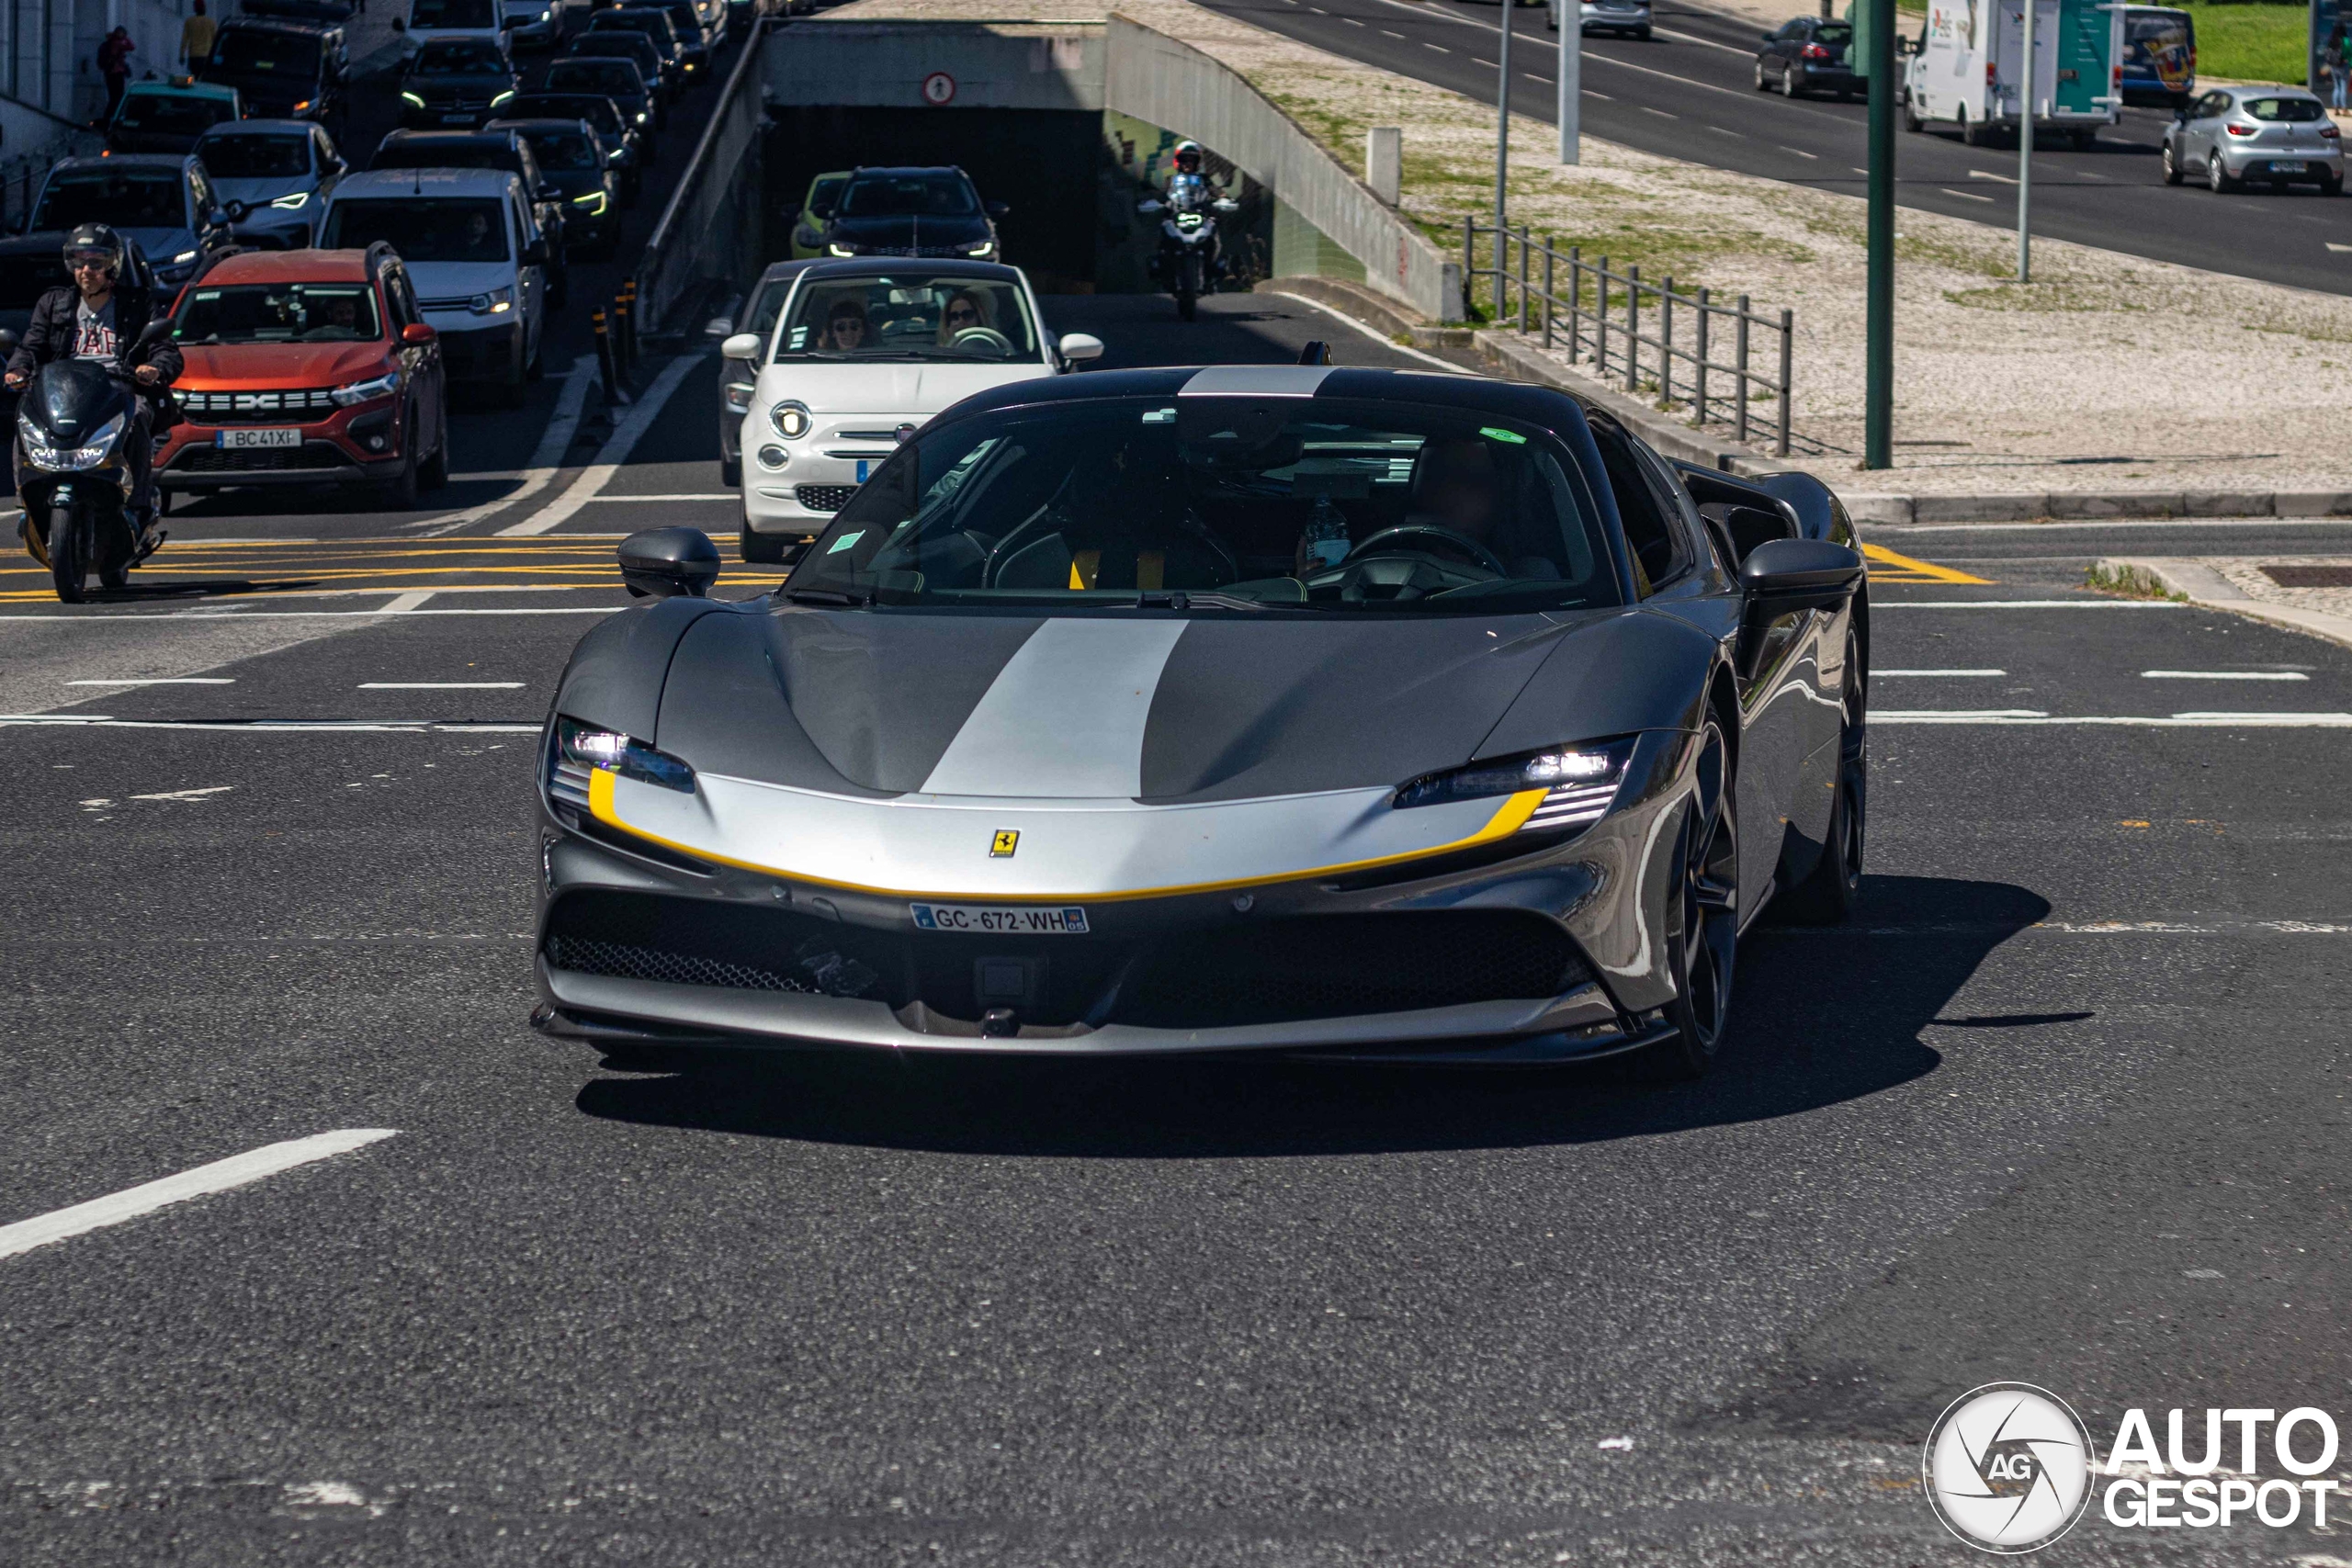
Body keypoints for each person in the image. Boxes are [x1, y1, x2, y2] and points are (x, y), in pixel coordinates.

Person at [5, 224, 181, 535]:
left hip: (117, 388)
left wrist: (153, 368)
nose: (87, 271)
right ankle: (29, 498)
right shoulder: (53, 303)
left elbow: (166, 350)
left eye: (96, 263)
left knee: (138, 414)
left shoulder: (137, 303)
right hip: (64, 391)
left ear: (112, 265)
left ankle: (137, 505)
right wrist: (17, 370)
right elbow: (31, 345)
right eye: (79, 262)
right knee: (25, 413)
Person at [97, 28, 134, 123]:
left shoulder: (115, 42)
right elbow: (129, 47)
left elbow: (131, 47)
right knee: (115, 97)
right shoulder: (114, 43)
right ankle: (109, 118)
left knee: (117, 97)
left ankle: (111, 117)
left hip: (117, 72)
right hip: (113, 72)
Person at [181, 0, 216, 69]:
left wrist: (182, 55)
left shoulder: (189, 22)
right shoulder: (211, 23)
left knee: (194, 77)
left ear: (195, 9)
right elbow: (215, 40)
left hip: (193, 55)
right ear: (204, 8)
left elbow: (184, 40)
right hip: (206, 55)